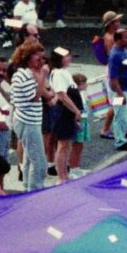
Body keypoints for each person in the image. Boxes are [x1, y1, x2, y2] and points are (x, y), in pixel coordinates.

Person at [9, 41, 51, 191]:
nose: (41, 62)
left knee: (29, 158)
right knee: (39, 161)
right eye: (38, 58)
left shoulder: (28, 74)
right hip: (27, 121)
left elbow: (47, 93)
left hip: (30, 120)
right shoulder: (22, 75)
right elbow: (34, 97)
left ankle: (27, 187)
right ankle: (35, 189)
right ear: (27, 58)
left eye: (43, 58)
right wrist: (43, 77)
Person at [47, 49, 82, 181]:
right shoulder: (59, 73)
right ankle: (62, 177)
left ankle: (64, 175)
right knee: (63, 145)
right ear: (60, 59)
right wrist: (76, 111)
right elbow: (62, 95)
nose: (70, 58)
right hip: (63, 113)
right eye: (67, 56)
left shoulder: (63, 72)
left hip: (66, 113)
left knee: (67, 145)